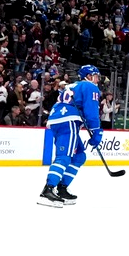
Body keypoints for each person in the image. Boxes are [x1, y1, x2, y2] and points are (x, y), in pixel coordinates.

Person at [38, 64, 103, 207]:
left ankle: (62, 188)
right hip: (68, 121)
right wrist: (96, 130)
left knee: (79, 156)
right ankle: (47, 191)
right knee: (64, 156)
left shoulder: (73, 85)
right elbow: (91, 111)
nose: (98, 80)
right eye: (96, 76)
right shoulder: (90, 86)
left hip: (57, 120)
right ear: (89, 76)